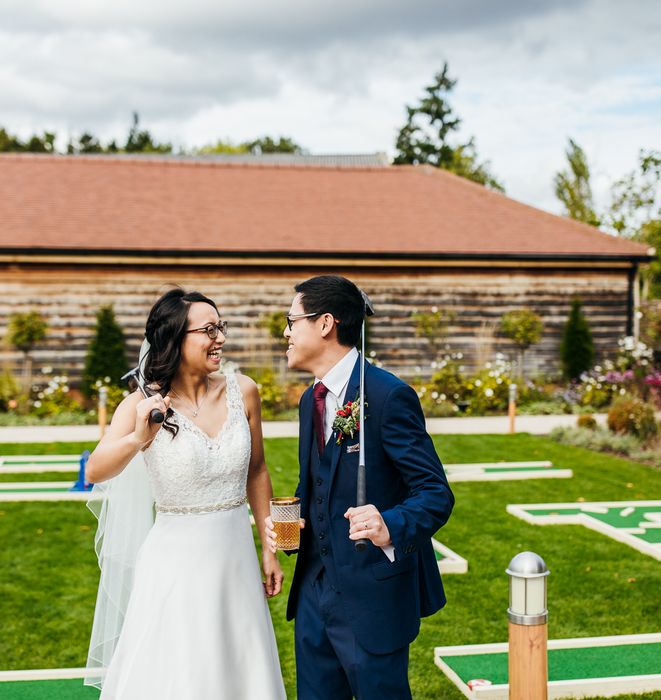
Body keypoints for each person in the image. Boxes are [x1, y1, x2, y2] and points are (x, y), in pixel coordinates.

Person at [85, 288, 286, 699]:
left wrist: (271, 548)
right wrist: (138, 438)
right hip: (174, 566)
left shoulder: (243, 390)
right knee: (179, 673)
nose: (220, 339)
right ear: (176, 339)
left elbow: (258, 470)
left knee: (240, 669)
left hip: (236, 560)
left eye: (221, 327)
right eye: (208, 330)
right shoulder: (142, 405)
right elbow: (95, 469)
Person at [265, 275, 454, 699]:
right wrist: (288, 529)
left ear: (325, 323)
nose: (286, 332)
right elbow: (314, 486)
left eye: (291, 320)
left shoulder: (389, 396)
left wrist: (389, 522)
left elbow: (435, 493)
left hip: (373, 600)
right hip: (314, 596)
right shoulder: (308, 401)